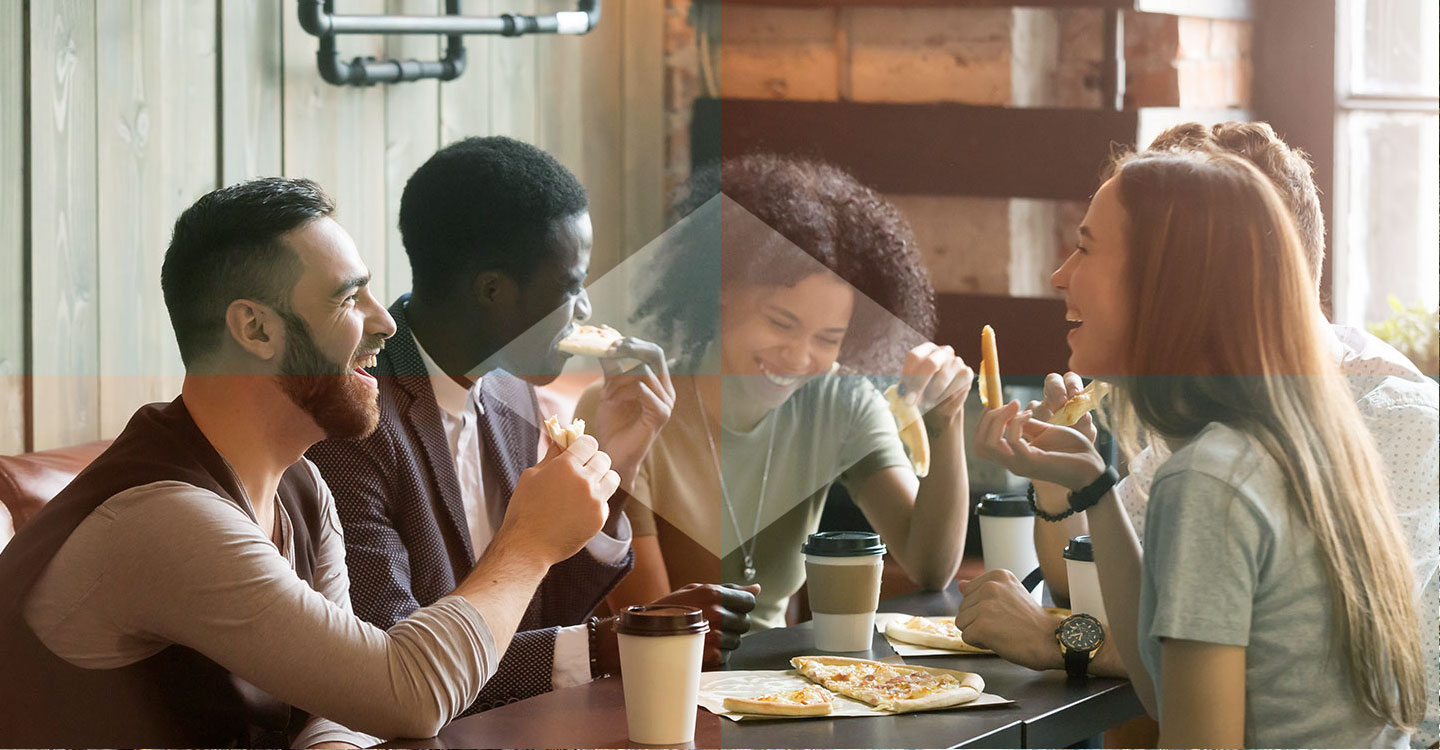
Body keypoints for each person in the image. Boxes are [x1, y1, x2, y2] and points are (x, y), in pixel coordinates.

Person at [0, 178, 617, 747]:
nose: (384, 324)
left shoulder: (303, 482)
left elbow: (332, 709)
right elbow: (406, 693)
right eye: (349, 299)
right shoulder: (163, 520)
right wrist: (530, 540)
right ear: (256, 329)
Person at [956, 121, 1439, 748]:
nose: (1059, 276)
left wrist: (1058, 641)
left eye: (1088, 248)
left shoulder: (1212, 478)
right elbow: (1160, 686)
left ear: (1167, 287)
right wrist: (1094, 489)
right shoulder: (1295, 441)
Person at [306, 137, 755, 713]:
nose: (587, 311)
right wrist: (606, 647)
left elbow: (539, 613)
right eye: (572, 287)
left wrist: (615, 467)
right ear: (493, 291)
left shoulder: (511, 389)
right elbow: (399, 666)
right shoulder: (354, 423)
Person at [589, 154, 974, 631]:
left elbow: (930, 566)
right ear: (723, 289)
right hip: (661, 683)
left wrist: (946, 423)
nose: (799, 357)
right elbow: (651, 629)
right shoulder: (630, 410)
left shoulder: (842, 403)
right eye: (780, 323)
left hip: (781, 687)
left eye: (828, 339)